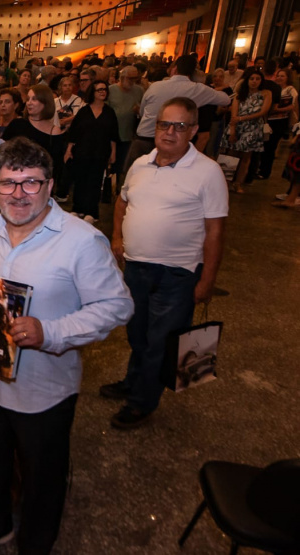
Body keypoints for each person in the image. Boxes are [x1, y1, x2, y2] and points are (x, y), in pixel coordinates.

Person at [0, 136, 133, 555]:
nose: (18, 194)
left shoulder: (80, 240)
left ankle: (36, 543)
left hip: (44, 392)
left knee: (43, 478)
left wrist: (50, 332)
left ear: (50, 185)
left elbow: (117, 306)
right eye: (8, 183)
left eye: (30, 183)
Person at [103, 97, 228, 429]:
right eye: (164, 124)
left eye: (179, 126)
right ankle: (134, 381)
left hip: (178, 274)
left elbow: (215, 231)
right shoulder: (140, 163)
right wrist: (117, 236)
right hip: (136, 267)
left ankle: (142, 402)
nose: (170, 132)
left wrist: (207, 280)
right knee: (137, 332)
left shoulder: (207, 172)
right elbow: (122, 200)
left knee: (161, 340)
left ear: (194, 131)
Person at [122, 56, 230, 177]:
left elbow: (142, 112)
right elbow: (225, 100)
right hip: (172, 143)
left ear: (174, 69)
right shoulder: (197, 89)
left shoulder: (156, 86)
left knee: (132, 179)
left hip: (144, 139)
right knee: (163, 183)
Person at [64, 80, 119, 223]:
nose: (102, 92)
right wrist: (69, 150)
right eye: (99, 89)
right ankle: (77, 209)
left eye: (104, 89)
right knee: (80, 180)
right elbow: (74, 133)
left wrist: (113, 153)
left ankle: (92, 212)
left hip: (100, 152)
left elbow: (113, 135)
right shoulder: (83, 111)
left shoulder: (110, 112)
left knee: (95, 182)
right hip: (82, 151)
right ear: (92, 93)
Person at [2, 84, 66, 202]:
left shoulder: (54, 131)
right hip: (15, 184)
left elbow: (56, 167)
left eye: (34, 99)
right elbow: (2, 154)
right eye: (28, 99)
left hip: (39, 189)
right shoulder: (17, 124)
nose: (29, 103)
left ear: (45, 102)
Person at [218, 68, 272, 193]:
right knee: (231, 155)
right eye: (251, 79)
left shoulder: (266, 93)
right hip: (238, 126)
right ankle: (226, 181)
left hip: (253, 128)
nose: (254, 82)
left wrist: (242, 118)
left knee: (246, 157)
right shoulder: (240, 95)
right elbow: (234, 114)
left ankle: (238, 183)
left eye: (257, 79)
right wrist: (233, 129)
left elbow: (263, 111)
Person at [107, 66, 145, 192]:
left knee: (122, 164)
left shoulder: (139, 91)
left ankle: (119, 188)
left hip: (128, 134)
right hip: (110, 134)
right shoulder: (111, 90)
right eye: (130, 78)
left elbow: (143, 110)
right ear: (122, 77)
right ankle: (107, 188)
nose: (132, 81)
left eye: (135, 78)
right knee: (109, 162)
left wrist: (138, 111)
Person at [260, 68, 298, 179]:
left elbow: (294, 104)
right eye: (278, 75)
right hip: (268, 120)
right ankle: (261, 168)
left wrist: (278, 109)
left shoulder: (290, 89)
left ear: (287, 78)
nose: (279, 78)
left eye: (282, 76)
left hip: (279, 121)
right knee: (263, 145)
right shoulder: (273, 88)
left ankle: (265, 171)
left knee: (270, 146)